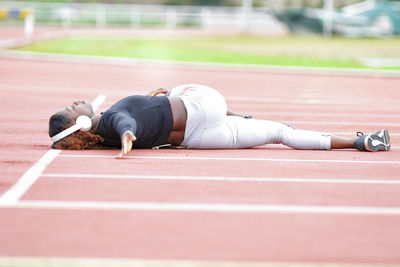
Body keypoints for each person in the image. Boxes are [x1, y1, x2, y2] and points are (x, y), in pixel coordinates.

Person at [48, 84, 391, 159]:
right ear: (78, 121)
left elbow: (135, 118)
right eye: (71, 105)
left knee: (279, 133)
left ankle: (364, 141)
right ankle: (233, 113)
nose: (76, 100)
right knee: (177, 87)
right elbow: (127, 123)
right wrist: (127, 138)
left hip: (197, 138)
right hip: (203, 107)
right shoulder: (110, 123)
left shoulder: (103, 131)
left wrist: (149, 104)